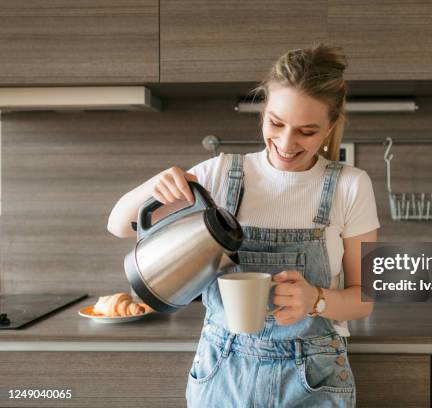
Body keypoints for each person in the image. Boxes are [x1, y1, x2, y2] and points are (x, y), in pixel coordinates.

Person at [107, 44, 379, 408]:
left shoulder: (351, 184)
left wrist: (317, 300)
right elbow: (118, 225)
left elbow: (366, 298)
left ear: (330, 127)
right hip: (222, 371)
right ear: (263, 111)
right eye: (276, 123)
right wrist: (153, 185)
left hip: (314, 377)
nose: (286, 143)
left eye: (307, 131)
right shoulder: (219, 174)